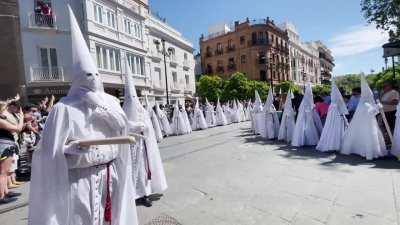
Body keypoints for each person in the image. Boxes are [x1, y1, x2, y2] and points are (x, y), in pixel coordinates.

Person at [28, 7, 138, 225]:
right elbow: (47, 151)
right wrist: (68, 149)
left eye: (96, 74)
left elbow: (122, 127)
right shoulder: (64, 109)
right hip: (80, 181)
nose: (94, 78)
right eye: (88, 75)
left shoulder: (111, 103)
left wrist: (103, 109)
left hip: (110, 174)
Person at [123, 63, 167, 208]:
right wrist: (134, 127)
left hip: (142, 147)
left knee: (143, 170)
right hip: (128, 147)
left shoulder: (141, 111)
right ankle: (133, 195)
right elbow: (121, 127)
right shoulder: (123, 112)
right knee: (130, 171)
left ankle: (144, 194)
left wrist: (144, 127)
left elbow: (148, 126)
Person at [341, 76, 387, 160]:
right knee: (367, 136)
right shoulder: (365, 104)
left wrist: (377, 107)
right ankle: (366, 151)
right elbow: (372, 112)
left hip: (365, 123)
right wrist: (378, 107)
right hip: (367, 124)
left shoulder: (363, 103)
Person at [0, 100, 24, 204]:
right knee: (3, 173)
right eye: (4, 108)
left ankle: (5, 192)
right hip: (5, 146)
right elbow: (18, 129)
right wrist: (22, 117)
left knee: (4, 172)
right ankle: (2, 196)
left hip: (5, 145)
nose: (6, 110)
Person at [316, 82, 349, 152]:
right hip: (337, 117)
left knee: (330, 128)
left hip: (332, 117)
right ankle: (336, 144)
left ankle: (331, 144)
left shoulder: (332, 104)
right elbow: (343, 109)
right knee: (337, 129)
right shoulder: (336, 102)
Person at [291, 83, 323, 147]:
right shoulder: (306, 102)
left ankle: (304, 140)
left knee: (306, 128)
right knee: (308, 128)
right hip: (306, 117)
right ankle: (307, 140)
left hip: (307, 117)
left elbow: (301, 109)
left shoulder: (305, 102)